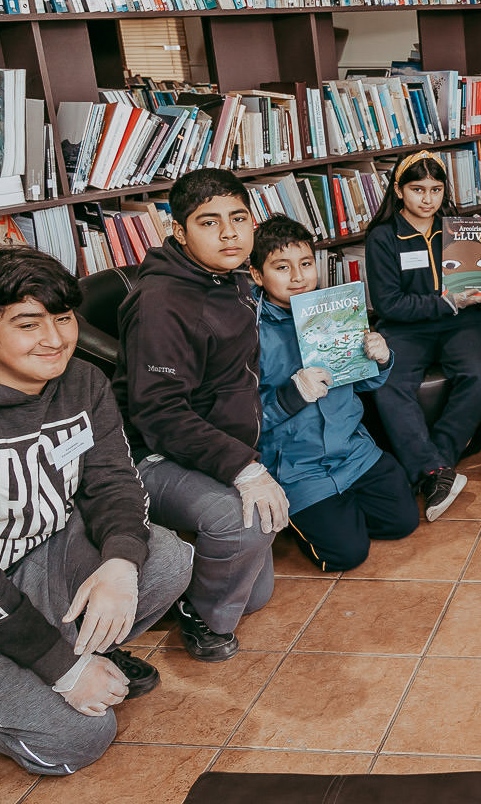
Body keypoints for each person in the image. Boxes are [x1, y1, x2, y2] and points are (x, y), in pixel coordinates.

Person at [0, 249, 193, 774]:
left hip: (40, 552)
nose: (54, 339)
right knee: (78, 739)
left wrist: (119, 564)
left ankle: (62, 651)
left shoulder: (82, 382)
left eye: (64, 318)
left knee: (165, 558)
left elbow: (113, 480)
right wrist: (64, 670)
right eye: (28, 324)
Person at [114, 168, 282, 663]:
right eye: (209, 222)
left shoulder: (229, 276)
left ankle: (196, 563)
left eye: (239, 218)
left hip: (211, 447)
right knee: (246, 523)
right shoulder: (162, 303)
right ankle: (199, 614)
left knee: (256, 596)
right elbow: (159, 412)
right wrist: (244, 469)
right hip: (152, 454)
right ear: (180, 232)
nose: (229, 233)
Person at [251, 216, 419, 571]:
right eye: (282, 267)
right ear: (257, 275)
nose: (298, 277)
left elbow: (364, 383)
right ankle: (318, 515)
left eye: (306, 264)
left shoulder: (336, 312)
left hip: (353, 450)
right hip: (296, 467)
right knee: (346, 554)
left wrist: (381, 359)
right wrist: (291, 395)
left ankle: (341, 508)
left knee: (403, 522)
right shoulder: (247, 332)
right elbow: (240, 418)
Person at [365, 150, 481, 520]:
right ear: (399, 190)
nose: (428, 199)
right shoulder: (383, 237)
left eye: (436, 190)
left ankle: (434, 465)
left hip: (461, 322)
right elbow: (390, 304)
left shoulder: (458, 229)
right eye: (418, 189)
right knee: (388, 384)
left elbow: (479, 279)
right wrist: (446, 302)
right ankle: (434, 470)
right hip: (406, 329)